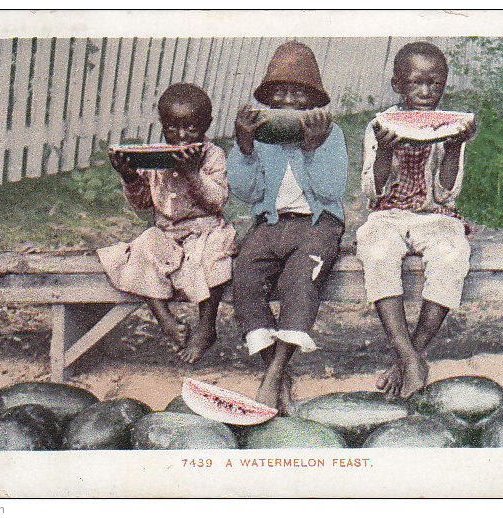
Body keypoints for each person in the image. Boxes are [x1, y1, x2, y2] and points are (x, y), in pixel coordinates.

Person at [228, 41, 348, 411]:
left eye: (298, 93)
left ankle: (275, 373)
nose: (288, 100)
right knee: (245, 278)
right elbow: (247, 193)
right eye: (278, 92)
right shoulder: (261, 136)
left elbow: (330, 191)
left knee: (300, 280)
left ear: (313, 101)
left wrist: (313, 147)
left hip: (318, 224)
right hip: (270, 225)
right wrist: (245, 149)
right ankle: (273, 371)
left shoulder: (331, 133)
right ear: (267, 100)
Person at [357, 41, 478, 398]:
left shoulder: (451, 127)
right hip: (388, 214)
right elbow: (373, 193)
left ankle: (409, 357)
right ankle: (410, 355)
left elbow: (445, 195)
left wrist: (454, 148)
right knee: (376, 252)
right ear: (397, 85)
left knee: (453, 254)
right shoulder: (379, 126)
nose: (426, 92)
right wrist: (385, 153)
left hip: (433, 214)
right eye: (415, 83)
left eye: (435, 84)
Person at [98, 83, 235, 364]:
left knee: (214, 253)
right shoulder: (154, 157)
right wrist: (129, 176)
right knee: (143, 247)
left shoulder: (212, 156)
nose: (181, 136)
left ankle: (206, 326)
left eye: (191, 129)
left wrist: (192, 174)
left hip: (204, 230)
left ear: (207, 125)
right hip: (167, 234)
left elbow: (216, 201)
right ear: (161, 124)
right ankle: (165, 319)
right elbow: (143, 204)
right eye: (172, 128)